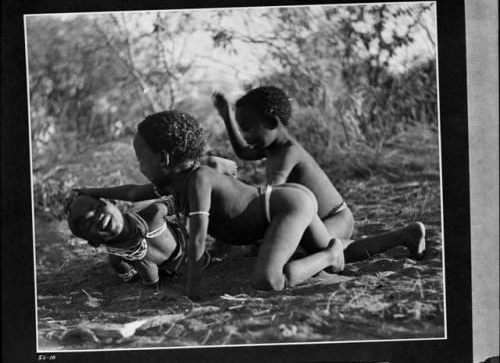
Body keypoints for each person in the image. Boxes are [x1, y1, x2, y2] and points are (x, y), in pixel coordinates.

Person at [75, 110, 424, 301]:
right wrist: (91, 188)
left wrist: (193, 289)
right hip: (287, 204)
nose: (139, 166)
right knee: (336, 249)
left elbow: (198, 239)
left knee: (269, 279)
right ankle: (404, 236)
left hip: (284, 207)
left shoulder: (197, 180)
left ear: (164, 158)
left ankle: (330, 257)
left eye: (140, 158)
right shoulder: (171, 180)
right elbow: (134, 192)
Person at [212, 87, 426, 263]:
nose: (245, 136)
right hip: (311, 220)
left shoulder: (289, 151)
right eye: (242, 129)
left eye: (248, 128)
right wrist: (226, 117)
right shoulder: (270, 148)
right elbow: (242, 152)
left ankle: (404, 235)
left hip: (335, 217)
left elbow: (272, 192)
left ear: (272, 122)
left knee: (326, 251)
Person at [66, 194, 207, 287]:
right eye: (88, 224)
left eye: (97, 208)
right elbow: (134, 280)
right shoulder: (118, 260)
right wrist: (151, 280)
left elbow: (189, 198)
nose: (98, 217)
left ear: (112, 201)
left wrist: (192, 234)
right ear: (93, 242)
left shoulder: (155, 213)